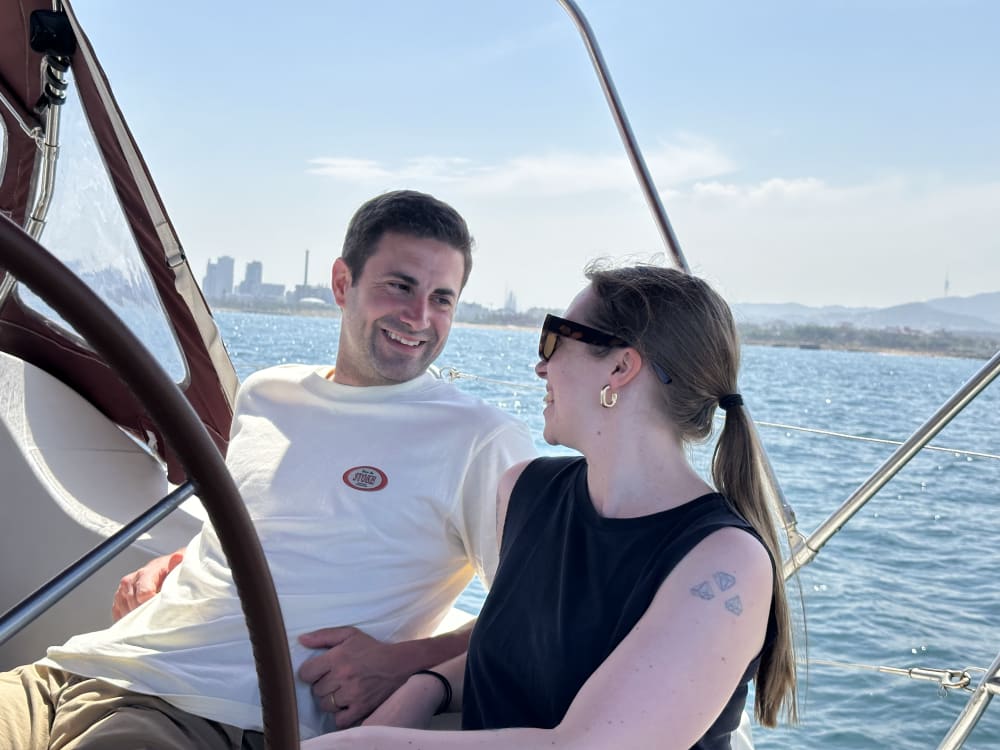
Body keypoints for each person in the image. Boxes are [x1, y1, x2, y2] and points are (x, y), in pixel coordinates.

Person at [0, 190, 536, 748]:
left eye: (442, 298)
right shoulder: (266, 393)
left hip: (211, 714)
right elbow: (270, 536)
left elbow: (537, 610)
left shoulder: (479, 439)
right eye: (399, 285)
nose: (419, 316)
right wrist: (180, 566)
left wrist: (405, 663)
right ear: (341, 283)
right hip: (86, 668)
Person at [303, 263, 798, 750]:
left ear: (620, 368)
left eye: (554, 340)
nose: (541, 365)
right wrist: (428, 685)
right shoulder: (523, 492)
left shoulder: (726, 561)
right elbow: (523, 648)